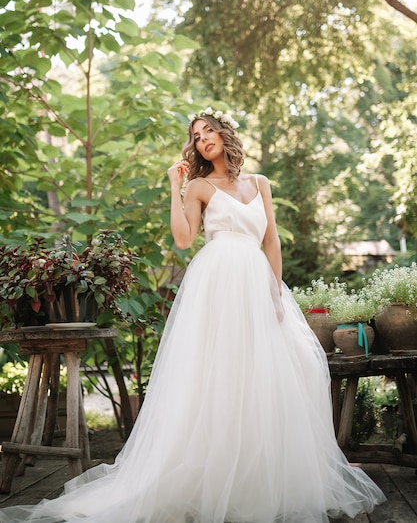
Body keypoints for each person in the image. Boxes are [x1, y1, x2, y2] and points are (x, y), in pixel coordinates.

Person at [0, 108, 385, 523]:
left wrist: (276, 291)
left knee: (266, 375)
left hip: (258, 284)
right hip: (216, 284)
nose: (203, 139)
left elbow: (271, 239)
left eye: (208, 131)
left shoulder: (260, 183)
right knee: (215, 376)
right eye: (196, 136)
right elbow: (184, 240)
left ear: (224, 134)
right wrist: (174, 185)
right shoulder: (198, 186)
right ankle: (210, 478)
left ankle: (258, 480)